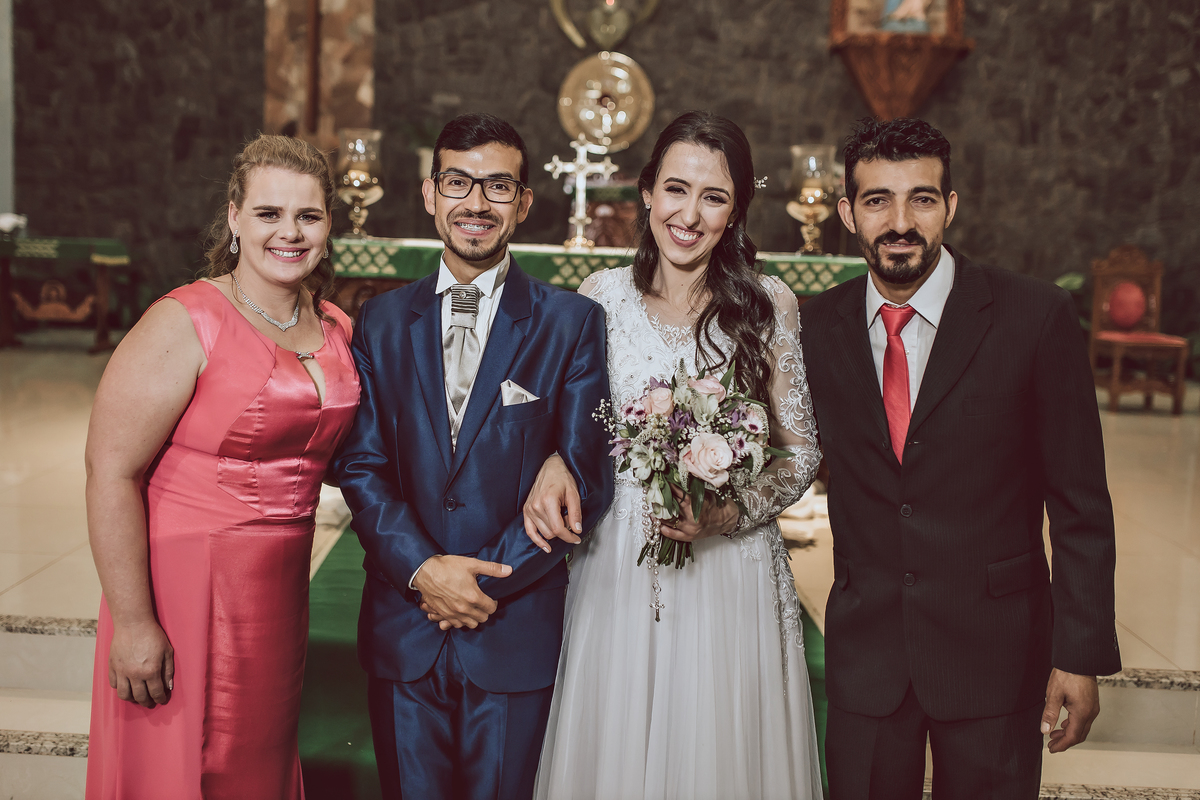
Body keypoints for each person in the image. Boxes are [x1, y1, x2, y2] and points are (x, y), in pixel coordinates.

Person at [800, 117, 1121, 799]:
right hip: (868, 653)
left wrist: (1080, 653)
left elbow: (1081, 505)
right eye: (878, 200)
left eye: (921, 198)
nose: (900, 222)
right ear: (847, 214)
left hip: (995, 651)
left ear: (950, 206)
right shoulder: (813, 328)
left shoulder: (1035, 317)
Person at [526, 111, 823, 800]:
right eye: (675, 190)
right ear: (647, 192)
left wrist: (726, 513)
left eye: (713, 197)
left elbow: (801, 452)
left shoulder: (768, 304)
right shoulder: (599, 298)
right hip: (617, 566)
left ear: (735, 211)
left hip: (729, 571)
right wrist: (555, 461)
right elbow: (565, 429)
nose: (688, 216)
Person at [331, 113, 614, 800]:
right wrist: (425, 571)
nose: (476, 203)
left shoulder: (570, 323)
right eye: (457, 182)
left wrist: (481, 583)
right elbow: (362, 465)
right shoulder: (380, 321)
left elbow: (585, 475)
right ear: (430, 194)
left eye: (498, 185)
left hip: (511, 626)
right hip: (406, 620)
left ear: (524, 202)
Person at [85, 134, 360, 799]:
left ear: (329, 225)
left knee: (253, 763)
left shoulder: (333, 326)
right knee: (184, 765)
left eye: (308, 216)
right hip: (185, 586)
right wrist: (134, 621)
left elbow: (336, 456)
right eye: (268, 214)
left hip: (279, 587)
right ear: (234, 218)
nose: (289, 232)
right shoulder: (186, 320)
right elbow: (110, 470)